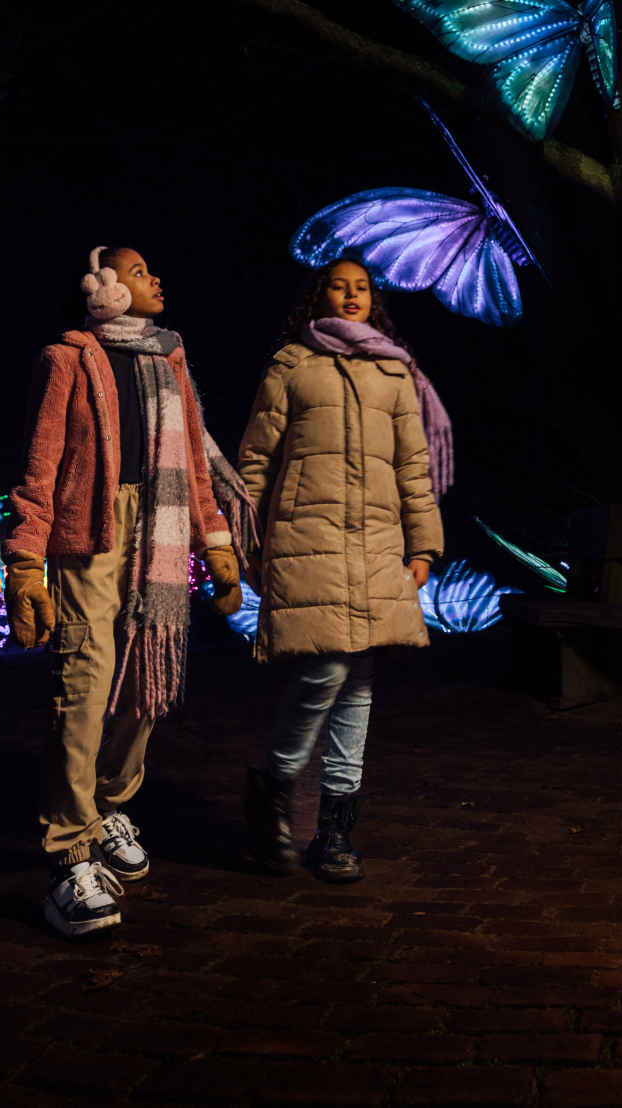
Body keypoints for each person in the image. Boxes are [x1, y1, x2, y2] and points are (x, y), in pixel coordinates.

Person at [3, 246, 253, 938]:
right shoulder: (68, 359)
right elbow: (40, 465)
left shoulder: (169, 359)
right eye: (141, 272)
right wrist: (25, 561)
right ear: (106, 287)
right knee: (85, 681)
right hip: (91, 527)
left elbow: (196, 466)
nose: (157, 280)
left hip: (160, 531)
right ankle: (69, 854)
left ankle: (111, 802)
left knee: (147, 679)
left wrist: (217, 542)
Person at [235, 258, 449, 882]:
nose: (352, 295)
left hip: (378, 544)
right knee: (326, 670)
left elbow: (414, 467)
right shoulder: (292, 365)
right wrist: (246, 545)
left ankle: (334, 833)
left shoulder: (393, 371)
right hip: (309, 539)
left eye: (362, 288)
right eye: (339, 285)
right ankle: (273, 789)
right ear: (318, 296)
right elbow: (255, 461)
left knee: (358, 684)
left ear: (372, 300)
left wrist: (423, 549)